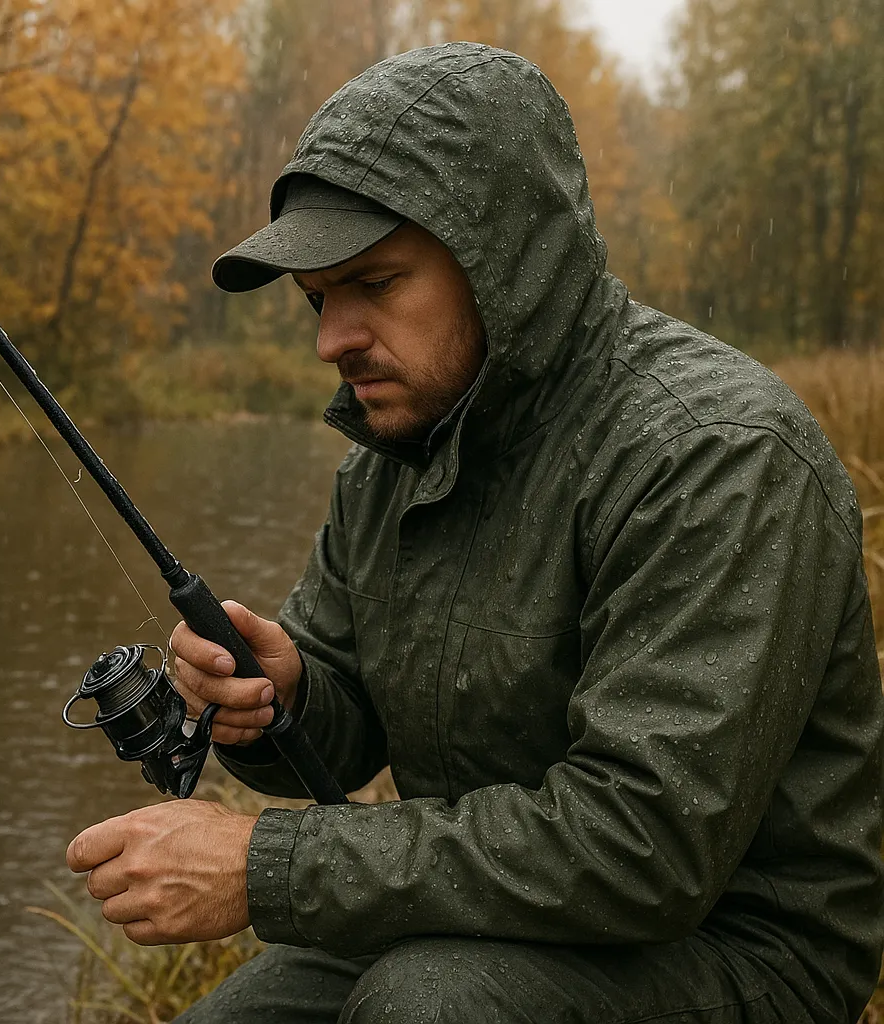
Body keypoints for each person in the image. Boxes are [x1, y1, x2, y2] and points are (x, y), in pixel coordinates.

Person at [65, 42, 884, 1023]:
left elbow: (643, 847)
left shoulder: (716, 456)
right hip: (478, 911)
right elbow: (344, 731)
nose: (333, 339)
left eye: (375, 282)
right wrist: (282, 697)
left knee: (428, 1004)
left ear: (504, 260)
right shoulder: (390, 457)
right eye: (321, 299)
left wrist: (262, 863)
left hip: (738, 947)